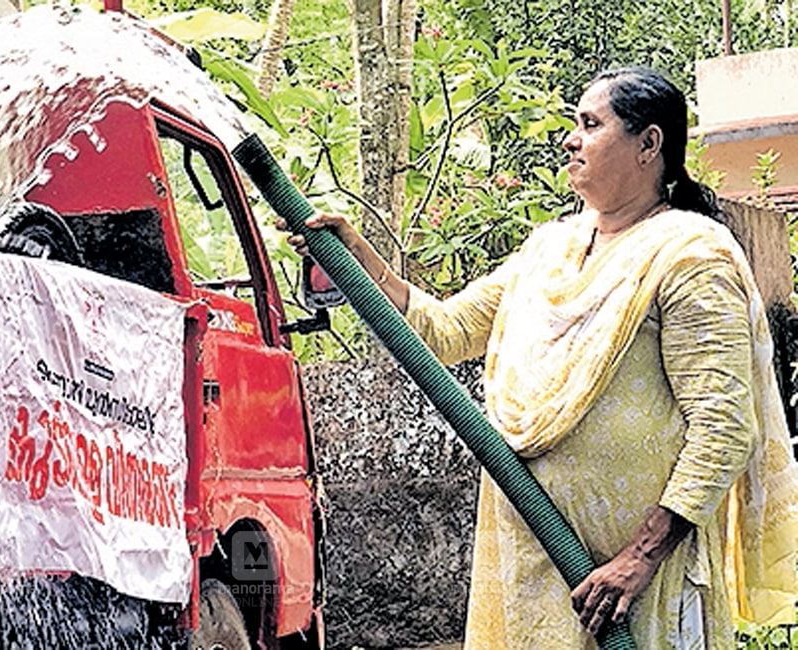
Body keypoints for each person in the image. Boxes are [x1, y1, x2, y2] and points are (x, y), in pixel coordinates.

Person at [282, 66, 798, 648]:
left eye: (590, 124)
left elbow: (724, 428)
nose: (569, 139)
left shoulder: (691, 256)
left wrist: (639, 558)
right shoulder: (549, 250)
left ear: (648, 145)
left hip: (632, 586)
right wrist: (360, 258)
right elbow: (445, 330)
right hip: (530, 562)